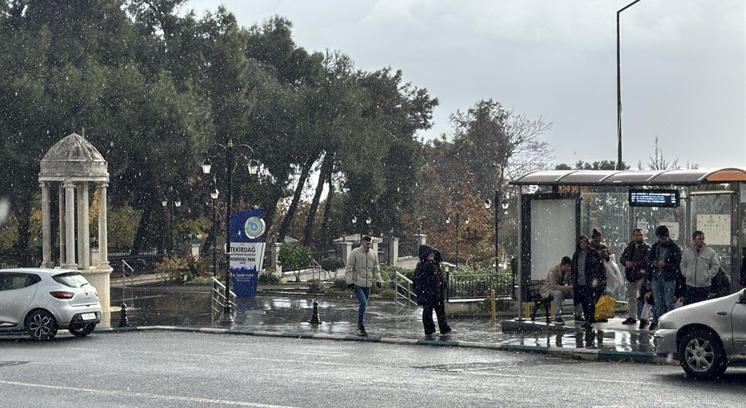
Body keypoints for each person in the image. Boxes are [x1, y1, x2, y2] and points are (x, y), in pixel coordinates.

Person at [345, 235, 383, 336]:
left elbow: (376, 269)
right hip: (357, 284)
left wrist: (379, 280)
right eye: (367, 243)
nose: (369, 245)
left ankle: (360, 325)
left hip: (368, 284)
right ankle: (360, 327)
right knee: (363, 303)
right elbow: (349, 268)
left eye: (370, 243)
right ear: (362, 242)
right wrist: (350, 282)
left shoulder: (373, 254)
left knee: (364, 306)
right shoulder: (355, 253)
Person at [647, 225, 682, 331]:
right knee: (658, 302)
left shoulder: (674, 248)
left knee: (668, 302)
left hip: (668, 278)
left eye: (664, 237)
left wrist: (665, 265)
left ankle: (667, 322)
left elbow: (677, 264)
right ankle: (659, 321)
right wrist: (655, 263)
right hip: (657, 277)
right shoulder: (655, 247)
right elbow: (649, 259)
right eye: (661, 238)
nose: (662, 240)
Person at [413, 244, 452, 337]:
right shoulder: (423, 266)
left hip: (436, 293)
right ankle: (430, 330)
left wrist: (443, 286)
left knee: (440, 312)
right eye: (430, 253)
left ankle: (443, 329)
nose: (432, 255)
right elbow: (418, 280)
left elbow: (440, 277)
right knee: (428, 312)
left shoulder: (435, 264)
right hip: (428, 294)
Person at [571, 235, 606, 328]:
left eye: (585, 242)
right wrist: (573, 280)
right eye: (581, 242)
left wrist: (601, 278)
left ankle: (589, 319)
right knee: (583, 301)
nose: (583, 244)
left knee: (589, 300)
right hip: (580, 282)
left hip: (590, 281)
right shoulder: (576, 254)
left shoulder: (593, 253)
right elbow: (574, 268)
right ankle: (588, 318)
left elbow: (600, 266)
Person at [619, 228, 651, 325]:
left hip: (640, 276)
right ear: (633, 236)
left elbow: (646, 261)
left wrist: (633, 264)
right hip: (630, 276)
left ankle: (645, 318)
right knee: (631, 298)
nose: (639, 237)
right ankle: (632, 316)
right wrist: (625, 262)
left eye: (640, 235)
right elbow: (622, 258)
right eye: (637, 235)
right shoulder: (630, 247)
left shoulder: (646, 248)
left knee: (644, 297)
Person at [681, 231, 720, 305]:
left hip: (704, 286)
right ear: (694, 240)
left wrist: (708, 275)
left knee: (702, 307)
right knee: (690, 307)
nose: (702, 241)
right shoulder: (687, 252)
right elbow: (682, 264)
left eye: (703, 239)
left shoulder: (710, 252)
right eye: (699, 239)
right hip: (690, 285)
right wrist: (686, 274)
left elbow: (715, 265)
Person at [539, 256, 574, 325]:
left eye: (569, 266)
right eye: (567, 266)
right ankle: (556, 316)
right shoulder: (553, 270)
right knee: (558, 293)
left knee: (576, 293)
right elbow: (553, 286)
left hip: (560, 289)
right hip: (548, 290)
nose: (568, 268)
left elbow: (569, 282)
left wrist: (572, 286)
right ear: (562, 265)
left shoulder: (568, 271)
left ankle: (578, 314)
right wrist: (568, 287)